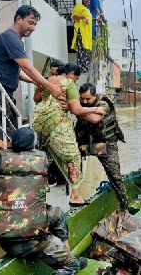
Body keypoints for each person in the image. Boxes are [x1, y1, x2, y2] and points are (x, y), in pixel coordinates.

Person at [0, 127, 88, 274]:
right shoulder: (42, 159)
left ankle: (68, 256)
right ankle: (69, 262)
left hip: (5, 239)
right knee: (72, 268)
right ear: (32, 146)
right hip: (31, 241)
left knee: (57, 213)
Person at [0, 5, 66, 150]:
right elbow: (27, 67)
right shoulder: (10, 38)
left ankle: (15, 167)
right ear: (19, 19)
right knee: (1, 139)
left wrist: (40, 83)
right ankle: (4, 169)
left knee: (14, 138)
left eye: (35, 24)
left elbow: (18, 72)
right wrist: (51, 87)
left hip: (4, 94)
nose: (33, 28)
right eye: (30, 22)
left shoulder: (15, 40)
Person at [33, 64, 105, 207]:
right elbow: (78, 110)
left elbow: (36, 99)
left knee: (54, 153)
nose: (75, 81)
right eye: (76, 78)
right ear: (71, 74)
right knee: (74, 156)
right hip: (58, 126)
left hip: (41, 126)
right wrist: (97, 109)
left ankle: (55, 181)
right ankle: (75, 195)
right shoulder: (68, 85)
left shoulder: (48, 81)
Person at [74, 82, 128, 211]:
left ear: (95, 96)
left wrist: (76, 110)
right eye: (82, 99)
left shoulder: (104, 103)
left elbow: (94, 119)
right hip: (85, 142)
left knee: (115, 177)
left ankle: (125, 207)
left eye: (88, 99)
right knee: (70, 163)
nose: (85, 101)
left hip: (106, 143)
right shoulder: (79, 104)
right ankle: (75, 196)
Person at [71, 0, 93, 73]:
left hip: (87, 35)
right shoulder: (78, 6)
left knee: (86, 52)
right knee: (82, 52)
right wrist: (83, 17)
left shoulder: (87, 10)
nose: (87, 0)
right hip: (81, 33)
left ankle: (85, 69)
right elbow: (74, 17)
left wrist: (96, 19)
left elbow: (88, 19)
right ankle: (81, 69)